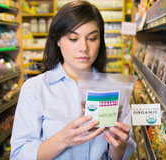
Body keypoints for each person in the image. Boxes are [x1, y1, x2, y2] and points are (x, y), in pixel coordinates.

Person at [10, 1, 136, 160]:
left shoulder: (115, 90)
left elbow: (118, 157)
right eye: (73, 38)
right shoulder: (35, 89)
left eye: (92, 38)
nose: (84, 47)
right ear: (57, 40)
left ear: (100, 41)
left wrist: (118, 145)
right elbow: (18, 155)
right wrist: (63, 139)